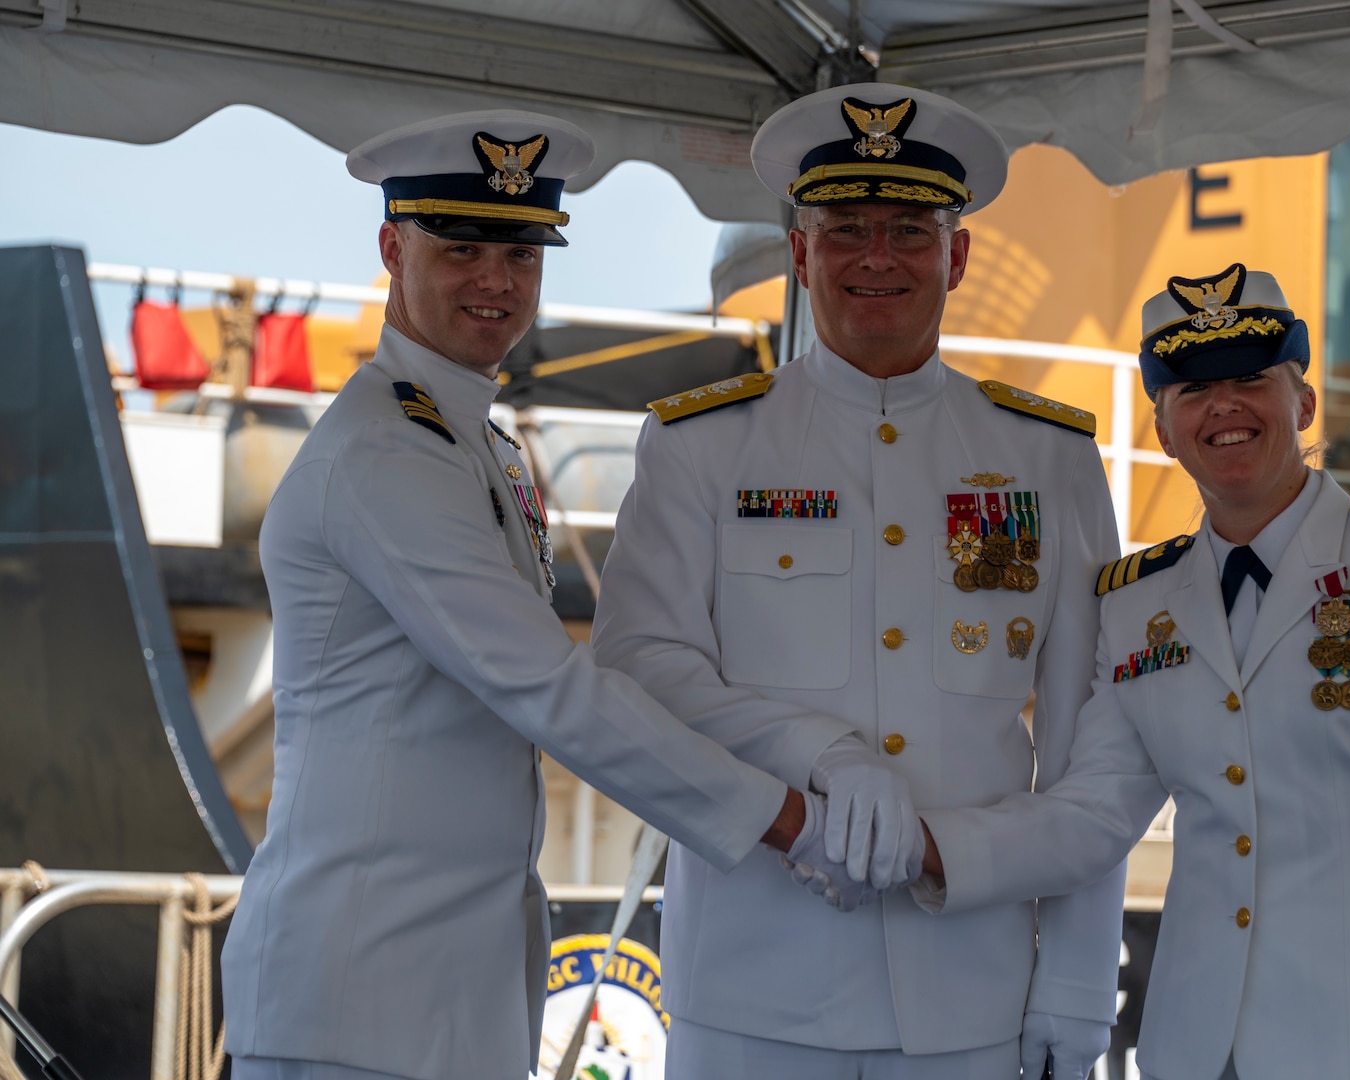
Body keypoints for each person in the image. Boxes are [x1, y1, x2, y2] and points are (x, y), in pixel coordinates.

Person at [220, 110, 899, 1080]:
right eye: (462, 250)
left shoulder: (471, 443)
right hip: (357, 1001)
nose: (497, 281)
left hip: (442, 994)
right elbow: (546, 687)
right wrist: (788, 820)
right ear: (390, 248)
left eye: (522, 252)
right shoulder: (385, 454)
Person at [915, 264, 1350, 1080]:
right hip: (1194, 1051)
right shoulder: (1136, 603)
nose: (1221, 404)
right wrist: (927, 846)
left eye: (1248, 379)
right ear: (1162, 428)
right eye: (1190, 389)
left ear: (1301, 404)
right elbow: (1091, 814)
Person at [589, 84, 1127, 1078]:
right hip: (752, 997)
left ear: (957, 256)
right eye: (844, 230)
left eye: (909, 230)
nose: (876, 257)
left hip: (972, 996)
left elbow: (1090, 747)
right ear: (799, 254)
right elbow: (637, 669)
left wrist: (1081, 988)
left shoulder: (1047, 461)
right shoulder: (702, 446)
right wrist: (823, 755)